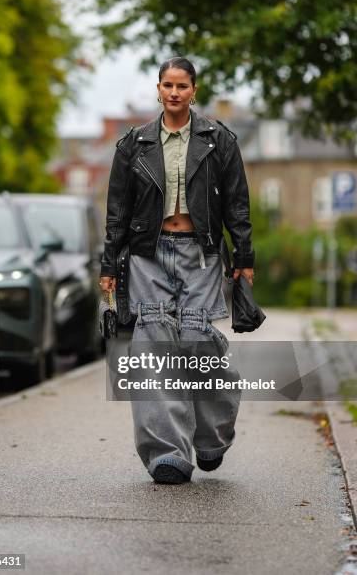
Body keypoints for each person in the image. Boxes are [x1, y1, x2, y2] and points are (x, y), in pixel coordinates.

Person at [99, 56, 255, 484]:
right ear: (158, 88)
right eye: (167, 85)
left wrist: (244, 260)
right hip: (148, 253)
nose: (173, 93)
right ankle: (167, 453)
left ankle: (212, 436)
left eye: (181, 86)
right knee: (153, 350)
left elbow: (237, 205)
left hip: (200, 254)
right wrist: (109, 264)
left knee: (198, 343)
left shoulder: (218, 140)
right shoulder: (134, 144)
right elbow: (117, 210)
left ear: (193, 91)